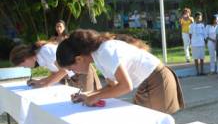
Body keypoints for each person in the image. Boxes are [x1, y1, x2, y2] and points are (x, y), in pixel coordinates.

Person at [56, 29, 184, 114]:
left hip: (156, 80)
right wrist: (88, 95)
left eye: (71, 68)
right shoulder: (97, 55)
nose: (72, 72)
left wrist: (94, 97)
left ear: (78, 59)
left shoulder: (104, 51)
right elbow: (113, 86)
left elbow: (125, 86)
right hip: (149, 81)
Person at [9, 41, 101, 92]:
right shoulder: (39, 57)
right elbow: (55, 72)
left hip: (82, 73)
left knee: (86, 103)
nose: (26, 68)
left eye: (23, 65)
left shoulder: (45, 51)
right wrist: (40, 81)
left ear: (26, 58)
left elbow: (63, 70)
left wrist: (45, 84)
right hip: (74, 75)